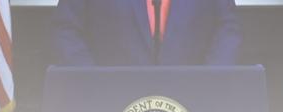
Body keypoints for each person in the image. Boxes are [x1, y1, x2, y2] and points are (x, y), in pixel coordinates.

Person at [53, 0, 241, 66]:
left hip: (193, 106)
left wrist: (211, 82)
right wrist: (92, 83)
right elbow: (67, 29)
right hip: (108, 105)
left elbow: (227, 28)